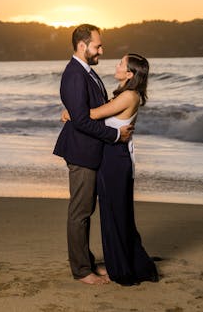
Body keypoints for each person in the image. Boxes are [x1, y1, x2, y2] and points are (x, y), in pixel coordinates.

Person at [62, 53, 159, 286]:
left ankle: (125, 266)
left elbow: (93, 114)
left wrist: (70, 114)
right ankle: (120, 261)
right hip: (111, 157)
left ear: (130, 74)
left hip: (116, 159)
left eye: (121, 64)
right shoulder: (124, 94)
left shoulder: (128, 95)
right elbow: (96, 115)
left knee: (117, 213)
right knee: (114, 212)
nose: (116, 65)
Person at [53, 24, 133, 285]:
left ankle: (87, 263)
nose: (102, 50)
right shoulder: (75, 74)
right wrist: (115, 136)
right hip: (81, 151)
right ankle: (81, 271)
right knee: (80, 212)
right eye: (97, 46)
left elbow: (90, 111)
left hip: (90, 149)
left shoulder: (88, 72)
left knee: (86, 210)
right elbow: (82, 121)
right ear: (82, 46)